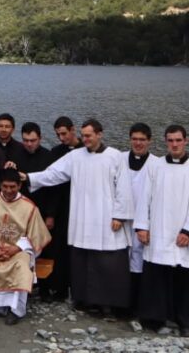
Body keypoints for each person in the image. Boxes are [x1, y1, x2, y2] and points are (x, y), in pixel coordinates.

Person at [25, 119, 133, 317]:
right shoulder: (75, 156)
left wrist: (120, 215)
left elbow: (124, 188)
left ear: (100, 134)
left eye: (89, 136)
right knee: (83, 261)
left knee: (108, 262)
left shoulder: (115, 157)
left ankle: (108, 304)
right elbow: (54, 174)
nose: (85, 139)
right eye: (83, 136)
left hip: (106, 217)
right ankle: (83, 300)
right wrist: (30, 178)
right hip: (83, 216)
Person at [135, 125, 189, 338]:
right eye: (170, 140)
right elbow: (144, 200)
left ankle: (186, 321)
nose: (174, 144)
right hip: (159, 231)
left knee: (186, 277)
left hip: (183, 235)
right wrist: (142, 227)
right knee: (157, 277)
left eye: (178, 140)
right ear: (165, 142)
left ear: (186, 141)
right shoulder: (155, 167)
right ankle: (154, 319)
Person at [0, 169, 51, 325]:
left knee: (21, 265)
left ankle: (15, 310)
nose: (8, 190)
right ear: (0, 185)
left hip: (18, 249)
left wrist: (16, 248)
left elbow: (35, 235)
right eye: (5, 186)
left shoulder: (29, 207)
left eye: (12, 187)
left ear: (19, 185)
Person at [36, 116, 81, 302]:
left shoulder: (86, 150)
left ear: (73, 130)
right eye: (58, 134)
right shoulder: (55, 152)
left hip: (81, 206)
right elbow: (51, 185)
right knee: (58, 249)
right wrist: (51, 214)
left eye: (64, 133)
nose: (61, 138)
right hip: (61, 207)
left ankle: (79, 289)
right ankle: (59, 288)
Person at [122, 122, 162, 321]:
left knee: (140, 261)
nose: (138, 143)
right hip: (121, 220)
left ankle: (138, 305)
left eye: (142, 140)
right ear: (130, 139)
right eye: (134, 139)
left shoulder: (157, 164)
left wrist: (146, 224)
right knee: (121, 261)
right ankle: (120, 303)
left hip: (144, 221)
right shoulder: (120, 160)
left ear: (150, 141)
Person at [6, 122, 54, 197]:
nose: (29, 144)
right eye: (25, 140)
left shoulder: (49, 157)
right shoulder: (13, 155)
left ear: (40, 138)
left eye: (33, 140)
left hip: (43, 201)